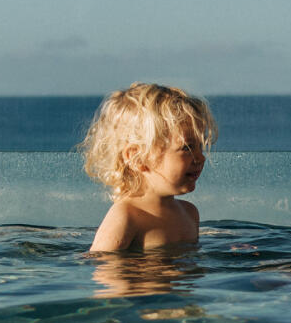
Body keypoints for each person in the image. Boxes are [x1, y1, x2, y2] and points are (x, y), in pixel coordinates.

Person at [79, 82, 216, 253]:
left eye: (200, 147)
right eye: (186, 148)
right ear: (138, 158)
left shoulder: (189, 213)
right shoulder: (126, 217)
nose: (200, 157)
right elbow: (102, 270)